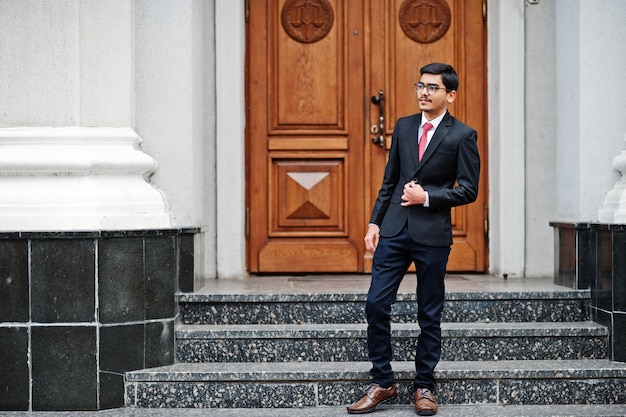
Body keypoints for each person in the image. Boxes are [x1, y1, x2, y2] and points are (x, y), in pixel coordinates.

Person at [347, 63, 480, 416]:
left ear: (450, 95)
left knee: (429, 312)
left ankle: (424, 385)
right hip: (393, 228)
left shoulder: (462, 135)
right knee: (376, 303)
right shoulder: (404, 126)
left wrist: (429, 197)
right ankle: (383, 382)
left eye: (432, 88)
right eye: (420, 86)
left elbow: (468, 190)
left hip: (432, 234)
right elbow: (390, 179)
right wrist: (375, 222)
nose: (423, 92)